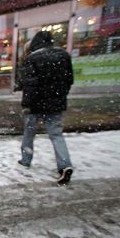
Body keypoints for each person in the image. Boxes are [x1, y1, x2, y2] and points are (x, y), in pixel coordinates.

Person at [18, 30, 74, 185]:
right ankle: (64, 164)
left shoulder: (33, 58)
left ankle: (26, 159)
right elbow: (69, 80)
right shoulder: (64, 56)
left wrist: (27, 104)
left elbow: (30, 85)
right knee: (56, 135)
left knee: (29, 133)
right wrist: (59, 96)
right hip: (55, 103)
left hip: (36, 104)